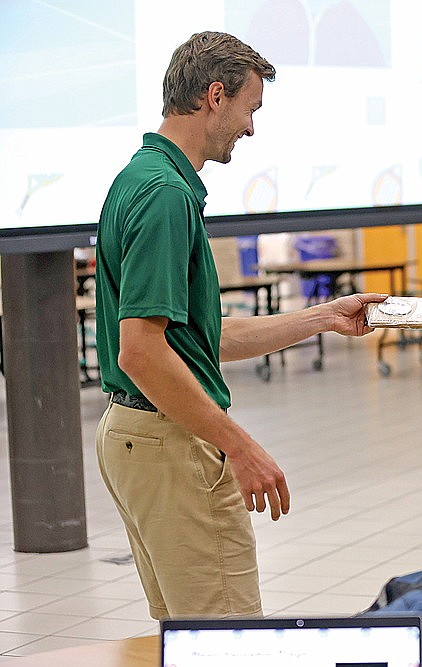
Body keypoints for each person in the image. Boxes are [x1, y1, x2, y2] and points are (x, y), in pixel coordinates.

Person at [94, 31, 386, 620]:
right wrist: (240, 446)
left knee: (188, 637)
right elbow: (142, 354)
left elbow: (203, 339)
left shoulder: (141, 177)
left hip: (133, 435)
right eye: (250, 108)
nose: (251, 127)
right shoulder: (164, 194)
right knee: (230, 644)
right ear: (215, 95)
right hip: (169, 441)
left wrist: (324, 316)